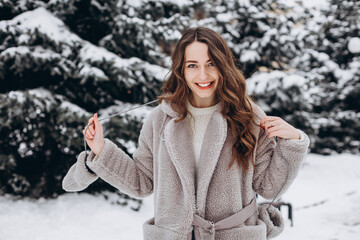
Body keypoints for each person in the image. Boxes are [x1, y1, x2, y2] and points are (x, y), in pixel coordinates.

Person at [63, 27, 310, 240]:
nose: (203, 75)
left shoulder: (248, 116)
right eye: (193, 65)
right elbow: (141, 183)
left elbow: (268, 188)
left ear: (224, 66)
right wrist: (101, 150)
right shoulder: (159, 119)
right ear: (180, 69)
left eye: (211, 64)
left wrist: (293, 143)